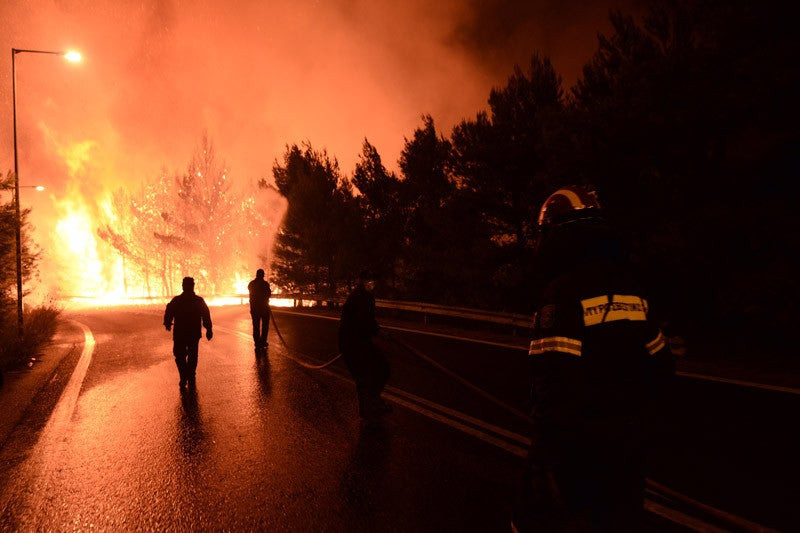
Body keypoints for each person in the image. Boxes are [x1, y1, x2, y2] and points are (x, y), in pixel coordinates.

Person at [511, 186, 676, 532]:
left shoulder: (562, 293)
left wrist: (546, 457)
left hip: (580, 444)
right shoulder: (631, 286)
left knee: (534, 520)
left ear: (556, 234)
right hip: (629, 441)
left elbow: (554, 382)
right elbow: (661, 363)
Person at [338, 271, 391, 421]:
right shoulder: (359, 297)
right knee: (365, 376)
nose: (371, 283)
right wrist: (379, 332)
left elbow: (368, 320)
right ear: (360, 280)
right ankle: (368, 409)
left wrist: (379, 330)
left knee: (381, 369)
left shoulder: (366, 297)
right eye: (368, 280)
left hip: (359, 341)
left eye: (373, 281)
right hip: (351, 342)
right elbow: (362, 322)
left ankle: (373, 402)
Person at [164, 277, 213, 388]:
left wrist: (167, 323)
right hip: (193, 333)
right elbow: (206, 315)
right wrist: (209, 329)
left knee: (179, 355)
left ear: (183, 286)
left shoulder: (177, 300)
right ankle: (189, 375)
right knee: (192, 355)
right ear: (193, 286)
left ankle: (184, 375)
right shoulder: (198, 301)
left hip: (180, 334)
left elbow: (169, 311)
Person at [248, 268, 272, 349]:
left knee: (256, 326)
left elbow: (251, 293)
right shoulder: (265, 284)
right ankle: (263, 341)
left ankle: (257, 342)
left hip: (254, 309)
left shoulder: (251, 284)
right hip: (264, 308)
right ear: (263, 275)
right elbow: (269, 294)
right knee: (265, 326)